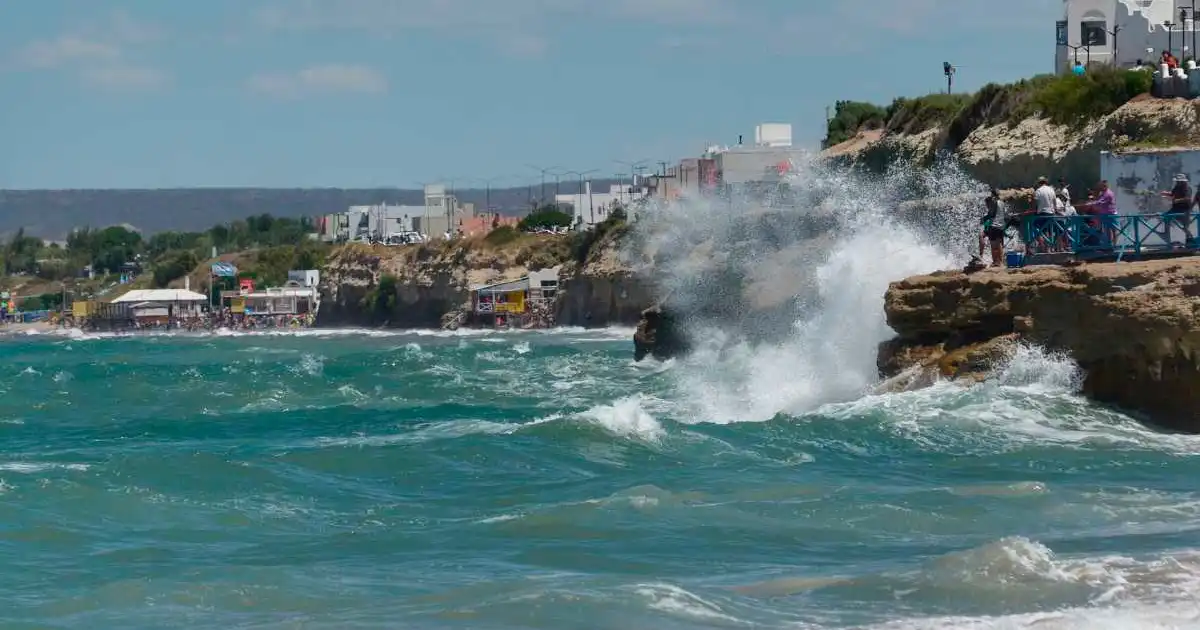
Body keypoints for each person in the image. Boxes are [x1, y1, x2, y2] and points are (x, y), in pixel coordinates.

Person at [1160, 173, 1194, 246]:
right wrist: (1165, 193)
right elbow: (1172, 194)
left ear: (1183, 181)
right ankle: (1166, 235)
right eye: (1177, 181)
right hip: (1175, 208)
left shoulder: (1187, 188)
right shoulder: (1176, 187)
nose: (1177, 182)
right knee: (1165, 217)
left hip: (1184, 210)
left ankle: (1191, 240)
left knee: (1185, 227)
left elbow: (1187, 198)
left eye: (1179, 181)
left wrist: (1177, 200)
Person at [979, 188, 1007, 267]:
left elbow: (992, 214)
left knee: (993, 244)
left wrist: (984, 219)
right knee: (999, 244)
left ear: (993, 195)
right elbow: (1003, 214)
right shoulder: (1002, 202)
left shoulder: (994, 202)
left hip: (994, 225)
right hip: (1001, 225)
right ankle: (1000, 262)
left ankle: (995, 262)